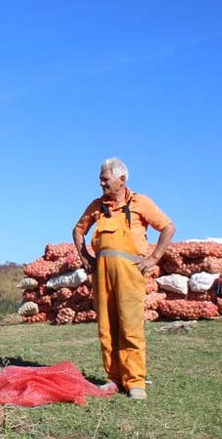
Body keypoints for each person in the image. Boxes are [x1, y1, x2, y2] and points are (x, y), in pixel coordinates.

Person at [72, 157, 176, 400]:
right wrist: (85, 256)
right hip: (102, 271)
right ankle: (113, 378)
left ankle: (135, 382)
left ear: (122, 179)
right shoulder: (97, 206)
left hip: (130, 270)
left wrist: (153, 258)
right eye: (100, 179)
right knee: (107, 327)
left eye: (105, 179)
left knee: (130, 326)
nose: (101, 183)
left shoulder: (141, 202)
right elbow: (78, 230)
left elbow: (168, 227)